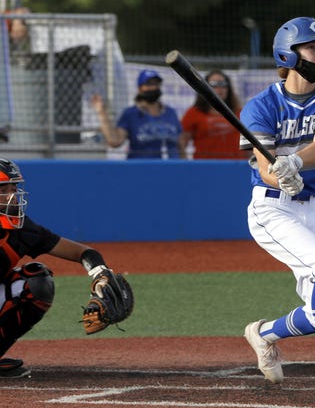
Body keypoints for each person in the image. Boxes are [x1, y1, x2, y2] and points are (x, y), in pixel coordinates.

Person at [239, 16, 315, 394]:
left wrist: (295, 163)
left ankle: (263, 334)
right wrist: (282, 177)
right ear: (287, 54)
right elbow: (265, 170)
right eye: (312, 48)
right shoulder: (259, 108)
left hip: (312, 209)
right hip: (271, 209)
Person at [0, 158, 121, 378]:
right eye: (2, 189)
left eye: (14, 189)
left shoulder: (22, 230)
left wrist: (99, 273)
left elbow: (83, 253)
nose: (11, 197)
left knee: (37, 281)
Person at [93, 69, 183, 159]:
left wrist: (185, 167)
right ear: (140, 88)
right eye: (149, 84)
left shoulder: (170, 113)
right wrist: (102, 112)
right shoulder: (131, 114)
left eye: (156, 84)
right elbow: (115, 141)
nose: (153, 88)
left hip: (171, 168)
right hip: (142, 168)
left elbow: (181, 145)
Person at [180, 70, 248, 159]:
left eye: (223, 84)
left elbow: (249, 145)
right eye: (214, 85)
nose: (219, 89)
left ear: (228, 88)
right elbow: (181, 143)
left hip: (235, 167)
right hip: (205, 167)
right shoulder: (194, 113)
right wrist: (185, 166)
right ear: (205, 87)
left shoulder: (239, 113)